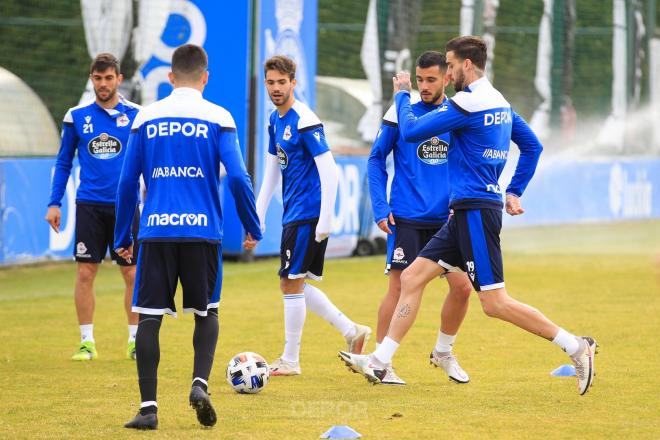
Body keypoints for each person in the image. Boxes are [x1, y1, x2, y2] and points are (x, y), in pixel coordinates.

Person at [340, 36, 597, 396]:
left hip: (476, 211)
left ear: (467, 66)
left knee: (494, 303)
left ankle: (576, 347)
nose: (447, 71)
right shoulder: (501, 103)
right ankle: (381, 362)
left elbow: (412, 131)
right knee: (412, 278)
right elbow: (533, 146)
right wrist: (513, 190)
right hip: (464, 211)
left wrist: (400, 93)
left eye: (450, 64)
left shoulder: (470, 101)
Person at [114, 44, 262, 430]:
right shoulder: (218, 116)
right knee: (207, 311)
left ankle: (148, 409)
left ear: (170, 77)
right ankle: (199, 384)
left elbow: (128, 182)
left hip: (156, 231)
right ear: (205, 76)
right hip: (202, 233)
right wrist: (252, 224)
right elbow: (238, 177)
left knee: (148, 319)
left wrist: (122, 235)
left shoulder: (145, 117)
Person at [256, 55, 371, 377]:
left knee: (290, 282)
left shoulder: (304, 120)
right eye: (271, 82)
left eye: (282, 82)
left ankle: (291, 360)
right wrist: (259, 214)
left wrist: (326, 218)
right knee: (293, 282)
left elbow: (329, 170)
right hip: (294, 212)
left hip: (308, 212)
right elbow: (271, 170)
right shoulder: (274, 120)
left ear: (294, 83)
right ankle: (352, 330)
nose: (276, 88)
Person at [367, 51, 472, 385]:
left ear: (446, 78)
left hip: (447, 219)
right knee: (398, 288)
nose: (424, 86)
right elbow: (375, 160)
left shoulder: (456, 111)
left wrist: (461, 200)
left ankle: (443, 351)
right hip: (408, 218)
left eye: (431, 80)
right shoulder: (401, 110)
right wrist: (380, 207)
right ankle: (380, 363)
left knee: (463, 288)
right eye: (420, 79)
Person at [45, 53, 141, 361]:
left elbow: (148, 161)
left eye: (108, 78)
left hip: (125, 207)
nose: (103, 84)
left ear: (119, 79)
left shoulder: (137, 115)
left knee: (131, 274)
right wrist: (53, 202)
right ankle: (86, 341)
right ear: (91, 79)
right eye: (97, 78)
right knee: (86, 272)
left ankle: (135, 340)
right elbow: (63, 162)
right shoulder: (77, 116)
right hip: (89, 205)